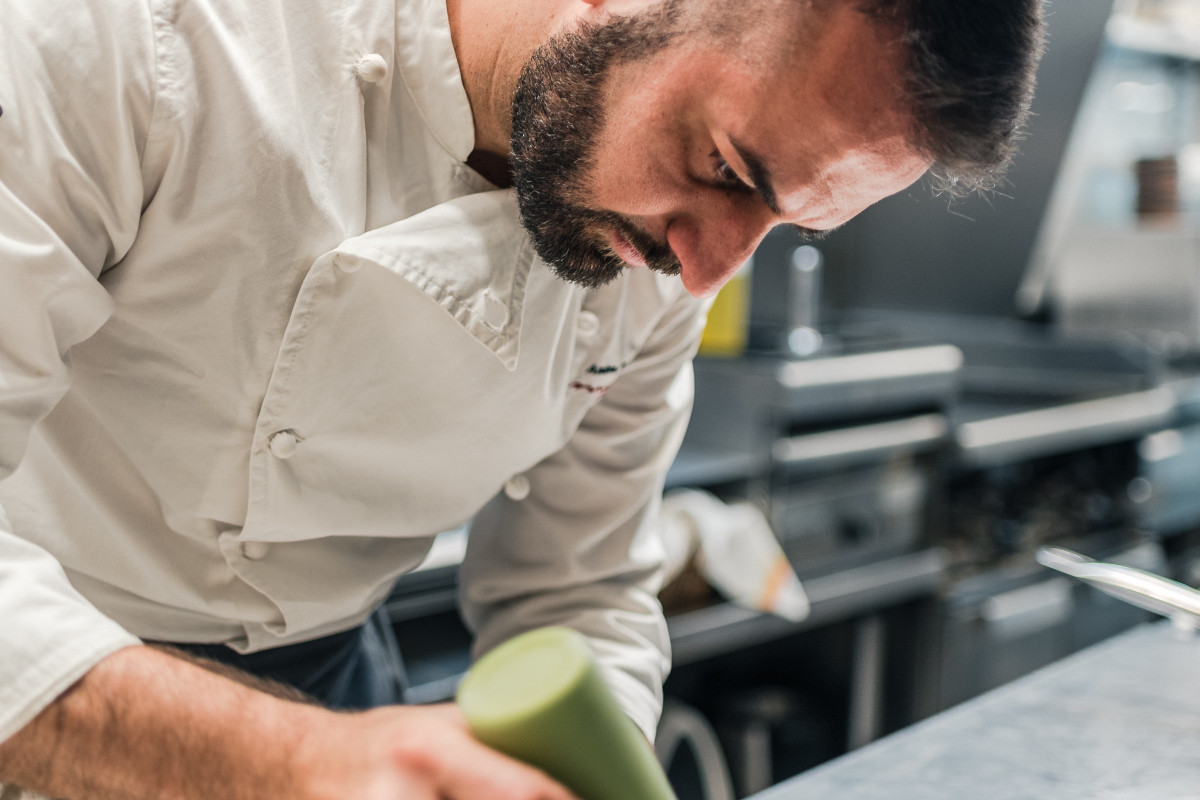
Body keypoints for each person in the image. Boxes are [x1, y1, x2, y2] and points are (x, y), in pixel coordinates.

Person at [0, 0, 1044, 796]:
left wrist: (605, 765)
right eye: (725, 167)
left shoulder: (664, 254)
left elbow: (577, 591)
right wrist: (293, 759)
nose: (708, 271)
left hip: (334, 703)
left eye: (787, 224)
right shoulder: (135, 42)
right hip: (46, 682)